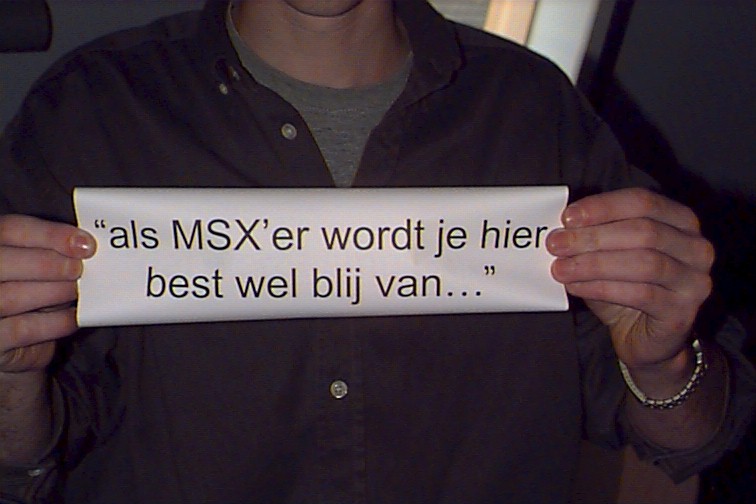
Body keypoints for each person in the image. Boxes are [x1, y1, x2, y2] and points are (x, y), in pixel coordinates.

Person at [0, 1, 753, 502]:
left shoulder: (534, 107)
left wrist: (664, 362)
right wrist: (11, 375)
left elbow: (696, 436)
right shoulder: (90, 108)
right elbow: (29, 459)